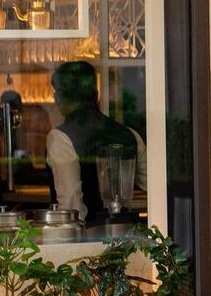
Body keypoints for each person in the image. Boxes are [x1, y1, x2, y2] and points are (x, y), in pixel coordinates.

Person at [45, 61, 146, 222]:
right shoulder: (130, 135)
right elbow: (154, 187)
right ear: (97, 95)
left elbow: (71, 202)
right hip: (126, 232)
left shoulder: (60, 138)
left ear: (59, 99)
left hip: (86, 233)